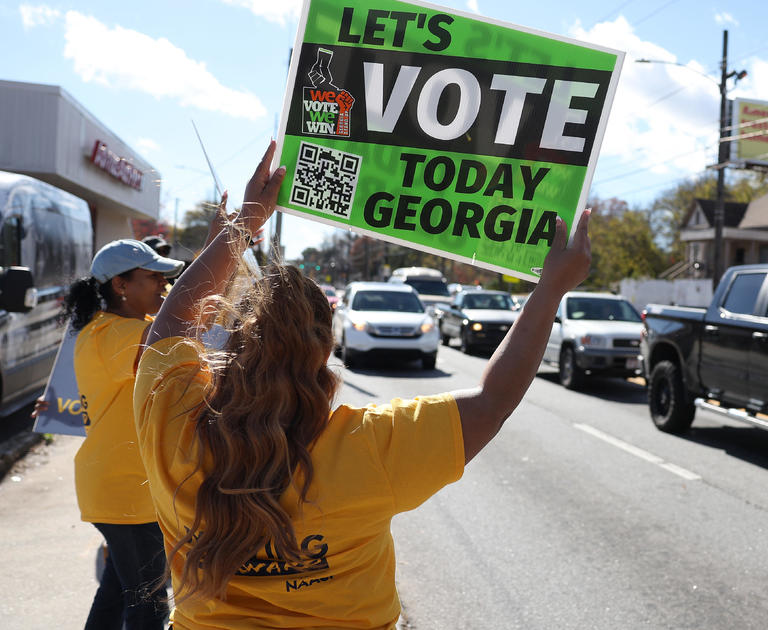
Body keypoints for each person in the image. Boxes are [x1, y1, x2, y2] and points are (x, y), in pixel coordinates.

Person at [131, 141, 591, 628]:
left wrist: (241, 225)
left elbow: (168, 327)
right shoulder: (369, 447)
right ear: (327, 351)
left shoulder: (172, 423)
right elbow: (493, 401)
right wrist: (550, 289)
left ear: (234, 343)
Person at [64, 238, 184, 629]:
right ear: (120, 285)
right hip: (124, 490)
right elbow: (174, 331)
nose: (163, 286)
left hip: (130, 487)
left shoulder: (132, 327)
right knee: (149, 605)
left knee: (118, 593)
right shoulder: (112, 333)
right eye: (153, 277)